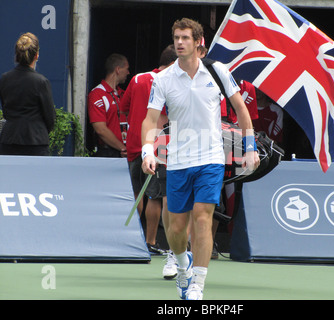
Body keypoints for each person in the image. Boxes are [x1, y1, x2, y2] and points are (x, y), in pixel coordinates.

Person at [141, 18, 260, 300]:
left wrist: (250, 146)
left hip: (211, 158)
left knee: (203, 218)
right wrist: (148, 150)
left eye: (185, 38)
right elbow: (150, 119)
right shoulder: (162, 79)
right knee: (176, 228)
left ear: (198, 42)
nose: (179, 43)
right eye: (176, 38)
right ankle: (183, 265)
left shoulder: (218, 72)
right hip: (179, 161)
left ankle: (198, 284)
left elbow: (241, 110)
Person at [120, 45, 177, 262]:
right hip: (157, 147)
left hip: (135, 145)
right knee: (154, 196)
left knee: (135, 195)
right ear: (172, 64)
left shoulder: (136, 79)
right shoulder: (171, 81)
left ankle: (130, 241)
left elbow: (124, 107)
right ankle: (150, 242)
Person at [0, 32, 55, 156]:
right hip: (36, 141)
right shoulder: (41, 82)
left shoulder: (5, 78)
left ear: (17, 56)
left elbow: (6, 109)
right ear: (36, 55)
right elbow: (50, 117)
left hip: (9, 139)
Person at [87, 53, 130, 158]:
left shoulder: (124, 94)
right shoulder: (97, 94)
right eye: (127, 69)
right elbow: (100, 129)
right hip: (108, 153)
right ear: (118, 69)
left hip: (126, 153)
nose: (128, 73)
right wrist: (123, 148)